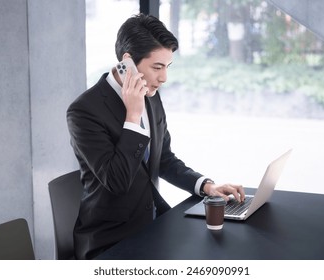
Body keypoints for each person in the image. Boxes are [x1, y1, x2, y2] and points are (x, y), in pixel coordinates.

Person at [67, 13, 245, 260]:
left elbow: (164, 159)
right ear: (127, 62)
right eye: (157, 67)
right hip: (110, 241)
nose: (164, 78)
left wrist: (206, 186)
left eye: (167, 67)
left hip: (154, 225)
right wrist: (133, 114)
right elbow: (117, 181)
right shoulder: (84, 111)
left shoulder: (151, 95)